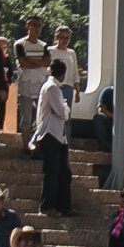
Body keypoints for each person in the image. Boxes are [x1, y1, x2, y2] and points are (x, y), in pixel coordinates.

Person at [31, 59, 72, 215]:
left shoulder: (52, 87)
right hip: (51, 134)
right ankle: (47, 206)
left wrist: (63, 109)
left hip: (58, 136)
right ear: (63, 74)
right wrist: (66, 108)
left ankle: (63, 206)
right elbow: (63, 113)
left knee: (63, 173)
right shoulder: (52, 87)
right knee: (52, 172)